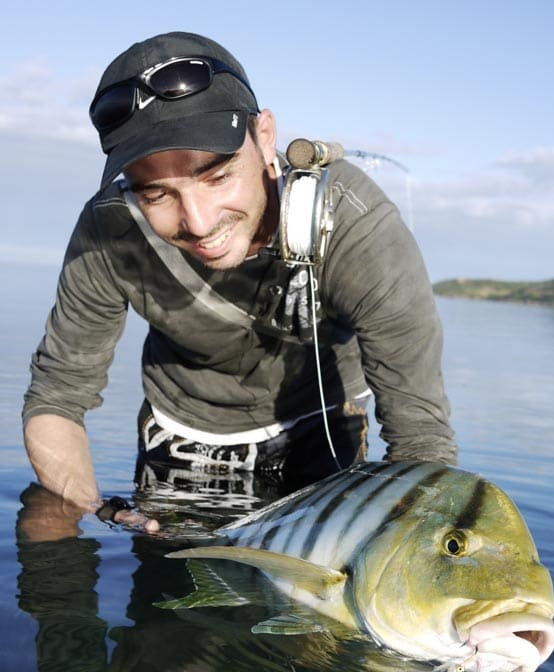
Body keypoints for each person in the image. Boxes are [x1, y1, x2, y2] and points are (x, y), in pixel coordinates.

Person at [22, 31, 457, 533]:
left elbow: (421, 439)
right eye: (158, 194)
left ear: (265, 136)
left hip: (321, 432)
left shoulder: (355, 223)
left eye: (218, 175)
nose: (200, 222)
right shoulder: (109, 228)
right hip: (178, 437)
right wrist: (99, 509)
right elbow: (57, 397)